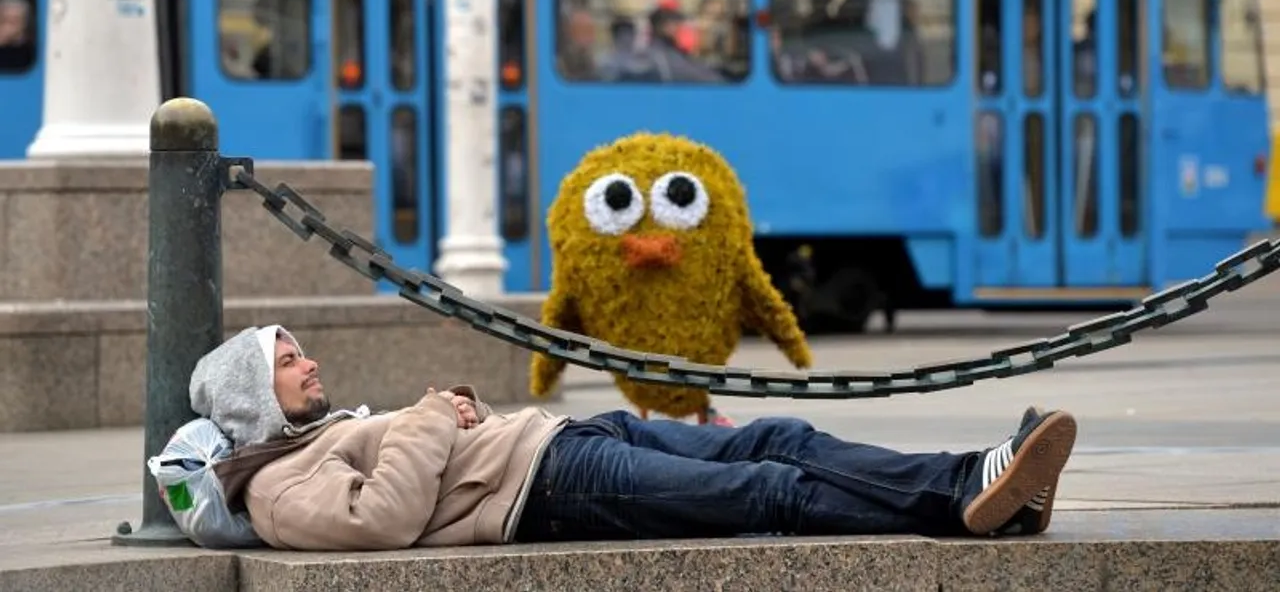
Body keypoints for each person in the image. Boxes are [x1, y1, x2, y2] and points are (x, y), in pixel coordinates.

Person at [197, 325, 1077, 551]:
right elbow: (380, 521)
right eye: (286, 361)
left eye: (301, 351)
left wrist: (439, 416)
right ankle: (968, 505)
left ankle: (981, 476)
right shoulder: (274, 488)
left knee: (777, 433)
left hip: (567, 438)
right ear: (250, 398)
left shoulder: (317, 437)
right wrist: (433, 415)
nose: (309, 366)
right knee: (762, 493)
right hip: (547, 488)